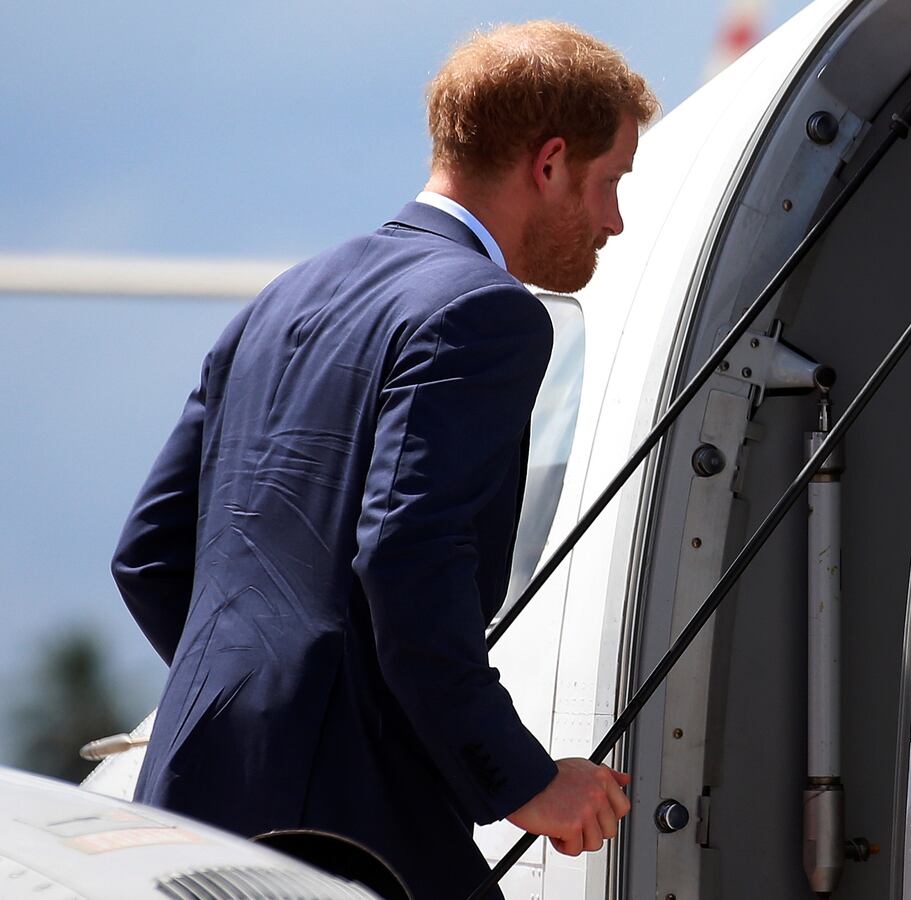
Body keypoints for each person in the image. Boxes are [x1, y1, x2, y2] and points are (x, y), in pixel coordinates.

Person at [110, 21, 659, 898]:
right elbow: (406, 558)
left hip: (189, 798)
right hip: (348, 827)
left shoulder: (283, 298)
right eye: (610, 182)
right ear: (549, 162)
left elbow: (150, 554)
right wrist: (523, 779)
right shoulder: (485, 311)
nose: (614, 220)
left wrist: (262, 707)